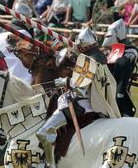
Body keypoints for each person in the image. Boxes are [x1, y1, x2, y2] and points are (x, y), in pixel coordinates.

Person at [36, 27, 120, 168]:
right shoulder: (99, 59)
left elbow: (81, 89)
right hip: (92, 103)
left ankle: (48, 164)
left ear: (82, 45)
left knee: (43, 132)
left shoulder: (89, 61)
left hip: (81, 104)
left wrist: (65, 81)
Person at [102, 19, 137, 116]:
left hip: (119, 87)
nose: (107, 37)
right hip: (107, 86)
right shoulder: (110, 51)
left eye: (110, 35)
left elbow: (123, 67)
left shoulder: (130, 51)